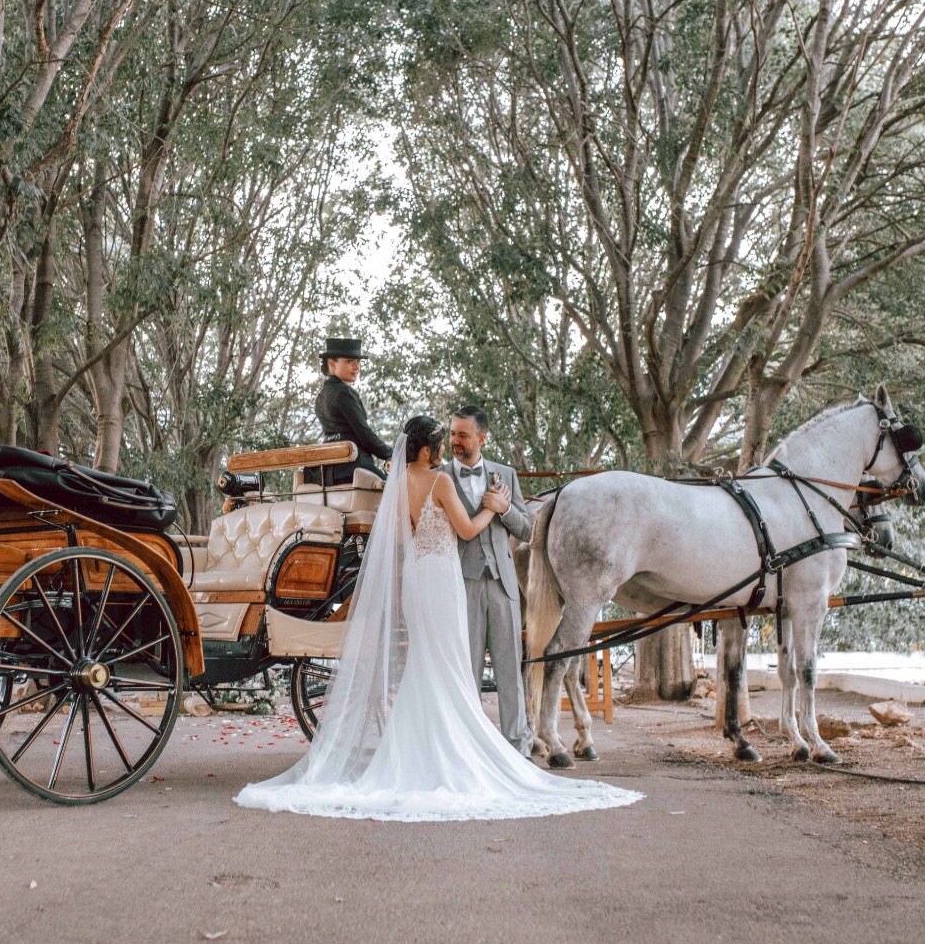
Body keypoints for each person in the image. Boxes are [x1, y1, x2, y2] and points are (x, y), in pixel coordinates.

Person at [234, 416, 642, 822]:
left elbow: (403, 540)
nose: (449, 446)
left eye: (460, 436)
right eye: (444, 441)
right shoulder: (440, 481)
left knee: (429, 661)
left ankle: (432, 747)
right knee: (449, 663)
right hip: (445, 576)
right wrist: (492, 508)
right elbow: (466, 531)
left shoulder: (399, 484)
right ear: (428, 449)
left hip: (421, 576)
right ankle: (455, 748)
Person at [443, 406, 534, 755]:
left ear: (482, 438)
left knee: (509, 668)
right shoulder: (440, 477)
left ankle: (518, 749)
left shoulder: (505, 474)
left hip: (503, 584)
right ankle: (471, 750)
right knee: (467, 671)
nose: (455, 441)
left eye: (463, 435)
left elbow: (527, 530)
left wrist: (505, 509)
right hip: (462, 583)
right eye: (453, 433)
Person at [312, 337, 391, 486]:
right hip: (353, 468)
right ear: (332, 363)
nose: (356, 367)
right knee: (395, 488)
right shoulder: (344, 393)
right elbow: (365, 436)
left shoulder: (321, 396)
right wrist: (392, 454)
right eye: (349, 361)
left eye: (358, 362)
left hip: (328, 472)